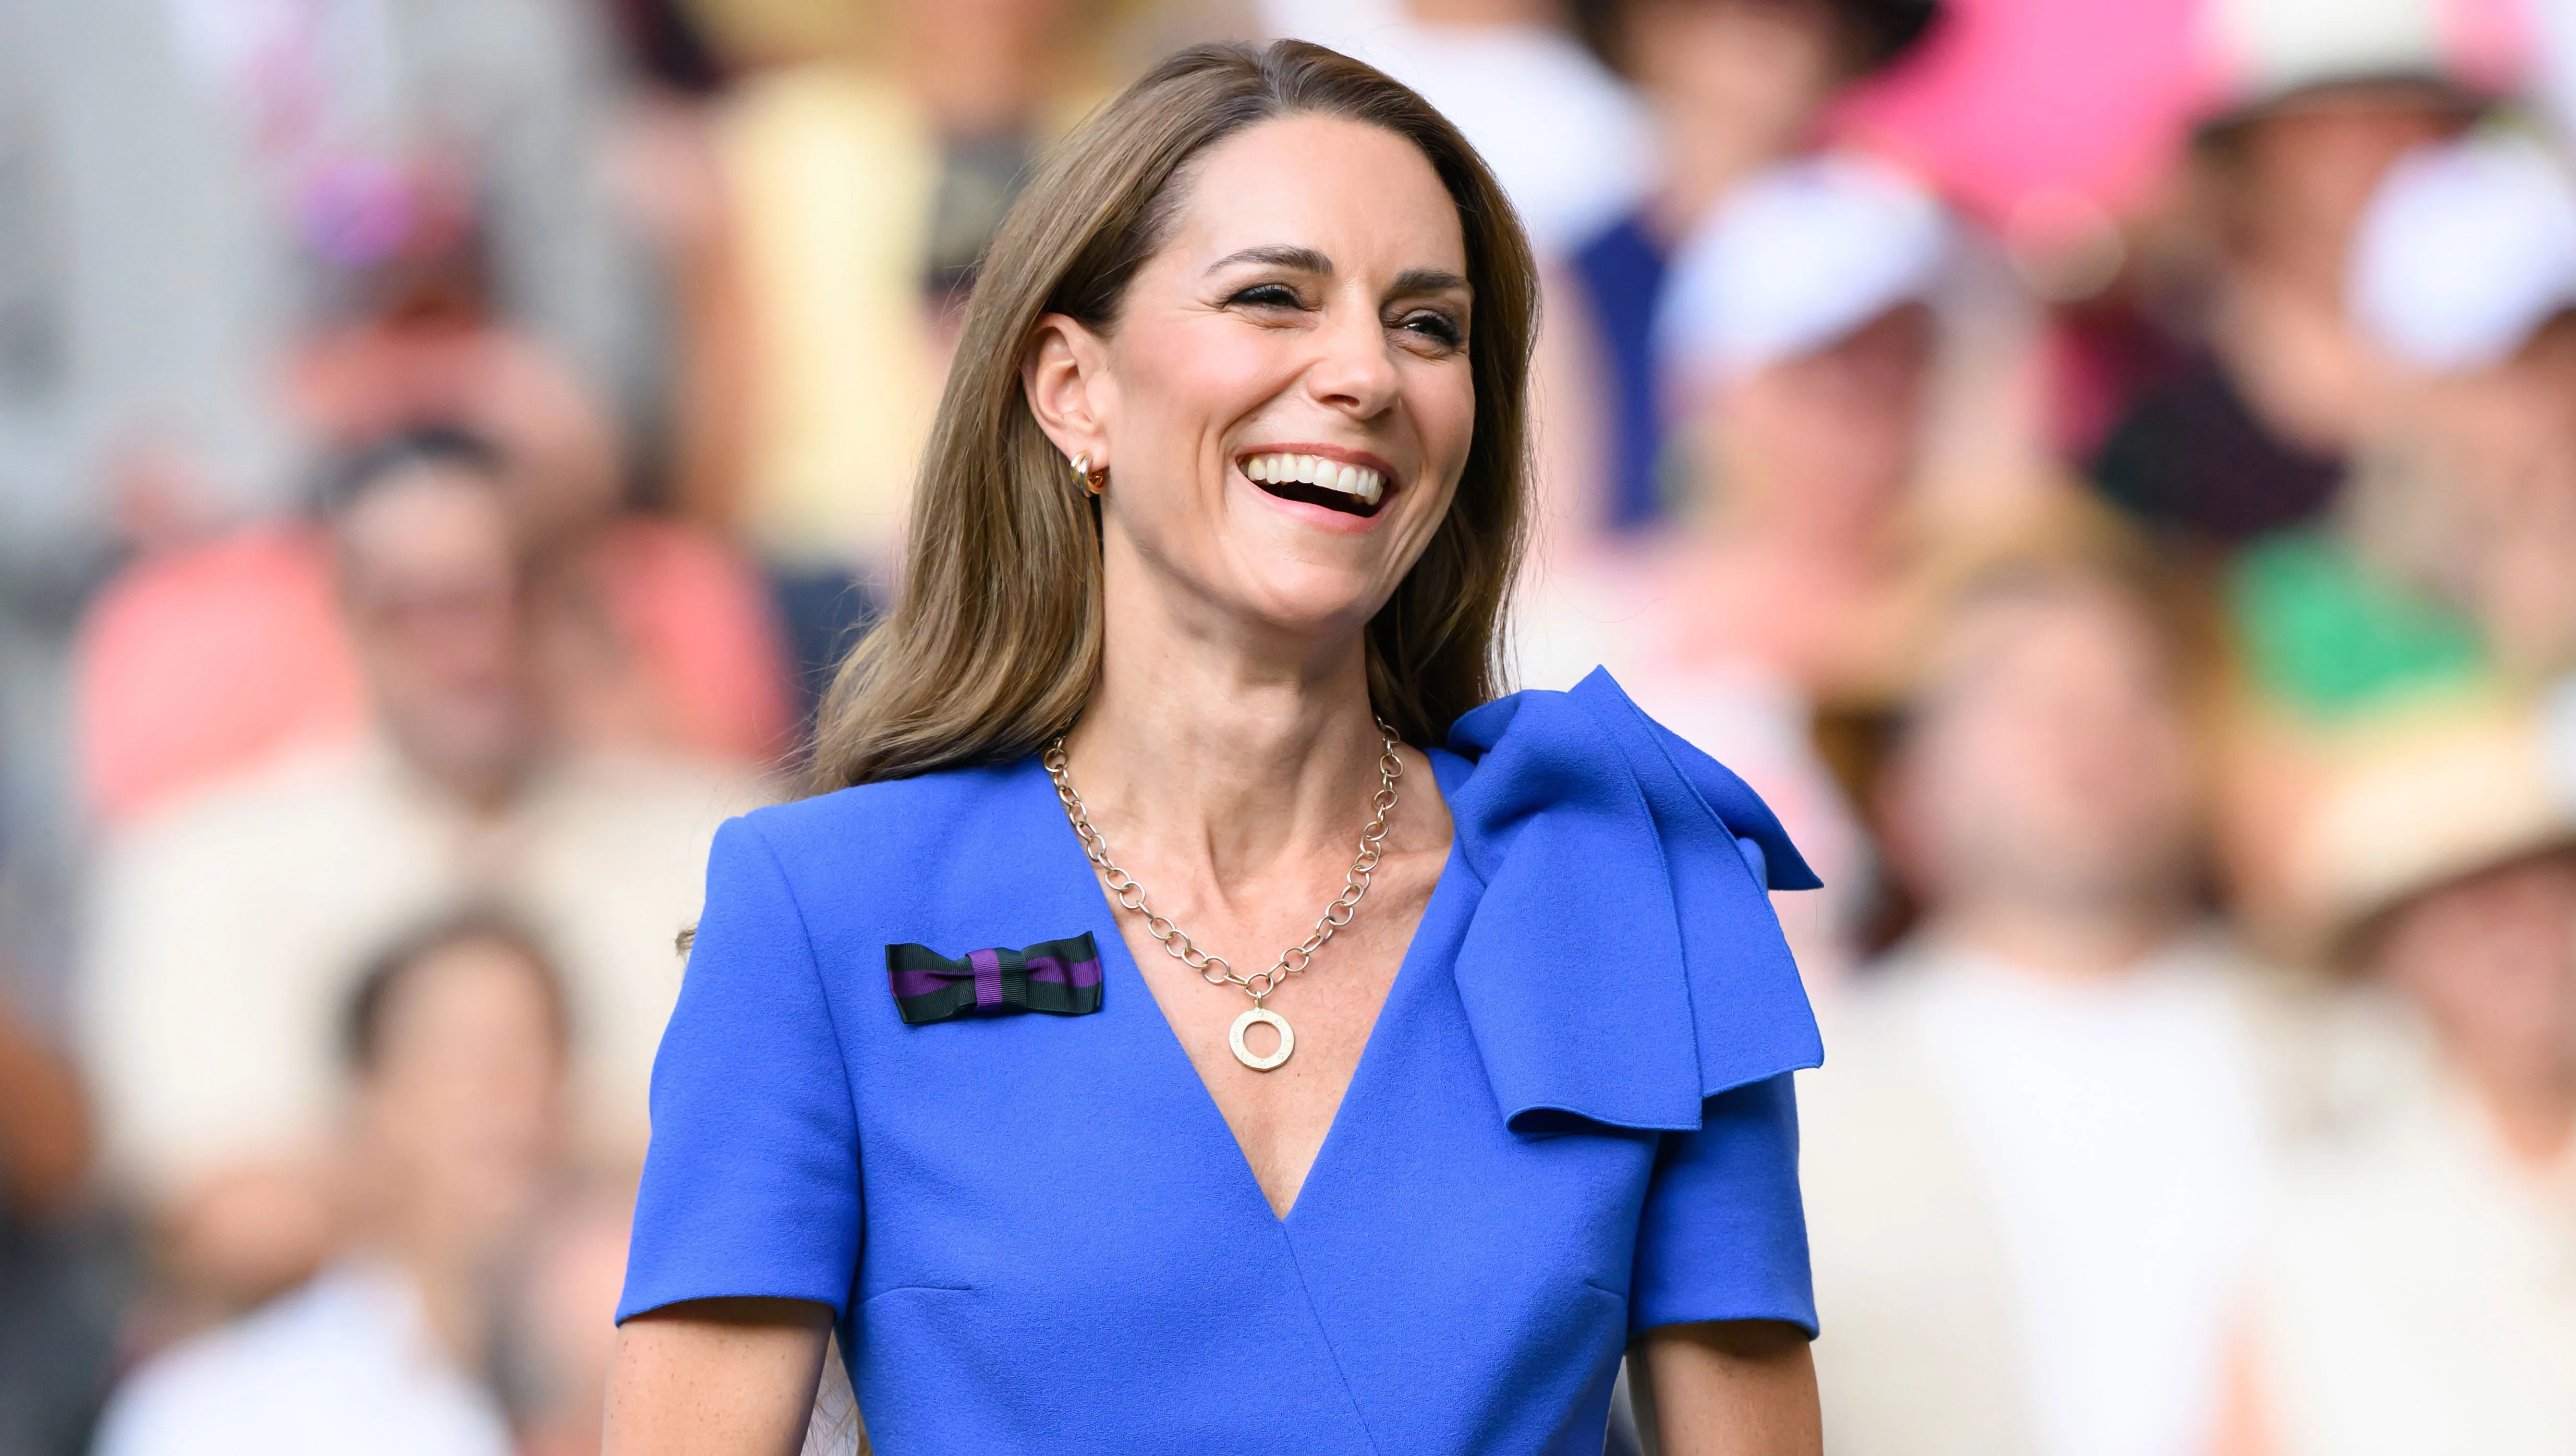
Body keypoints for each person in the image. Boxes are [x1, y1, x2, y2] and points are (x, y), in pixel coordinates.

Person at [606, 40, 1827, 1453]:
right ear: (1074, 390)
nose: (1364, 372)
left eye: (1427, 325)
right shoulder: (823, 907)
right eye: (1271, 299)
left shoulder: (1631, 885)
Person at [79, 428, 764, 1303]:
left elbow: (783, 1173)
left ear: (570, 601)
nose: (471, 643)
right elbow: (219, 1213)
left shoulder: (723, 839)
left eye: (506, 593)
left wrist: (390, 1165)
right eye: (419, 605)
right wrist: (576, 1154)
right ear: (345, 614)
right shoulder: (198, 861)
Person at [1798, 536, 2393, 1456]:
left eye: (2140, 689)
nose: (2091, 726)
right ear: (1906, 787)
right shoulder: (1801, 1106)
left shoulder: (2364, 1057)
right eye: (2022, 695)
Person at [2217, 706, 2576, 1455]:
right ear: (2386, 956)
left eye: (2533, 879)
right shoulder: (2320, 1240)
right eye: (2450, 900)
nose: (2503, 923)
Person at [93, 911, 574, 1456]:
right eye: (462, 1053)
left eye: (538, 1046)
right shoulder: (212, 1412)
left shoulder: (637, 1376)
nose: (509, 1089)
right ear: (368, 1097)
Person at [1549, 0, 1938, 531]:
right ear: (1639, 28)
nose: (1762, 23)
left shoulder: (1919, 257)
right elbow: (1554, 547)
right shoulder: (1568, 286)